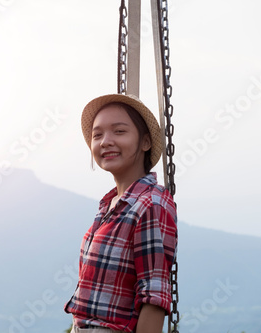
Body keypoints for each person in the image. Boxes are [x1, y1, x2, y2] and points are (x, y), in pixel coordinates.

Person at [64, 94, 178, 333]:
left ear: (145, 142)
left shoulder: (151, 203)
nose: (105, 141)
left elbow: (153, 297)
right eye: (98, 135)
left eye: (119, 131)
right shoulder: (110, 205)